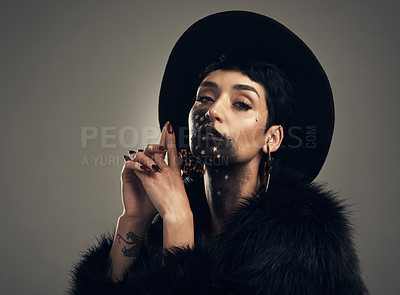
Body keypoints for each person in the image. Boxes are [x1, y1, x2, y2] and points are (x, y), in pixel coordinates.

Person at [69, 11, 368, 294]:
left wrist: (178, 221)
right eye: (204, 97)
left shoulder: (304, 242)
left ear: (272, 137)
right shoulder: (165, 228)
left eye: (241, 103)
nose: (211, 110)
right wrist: (134, 219)